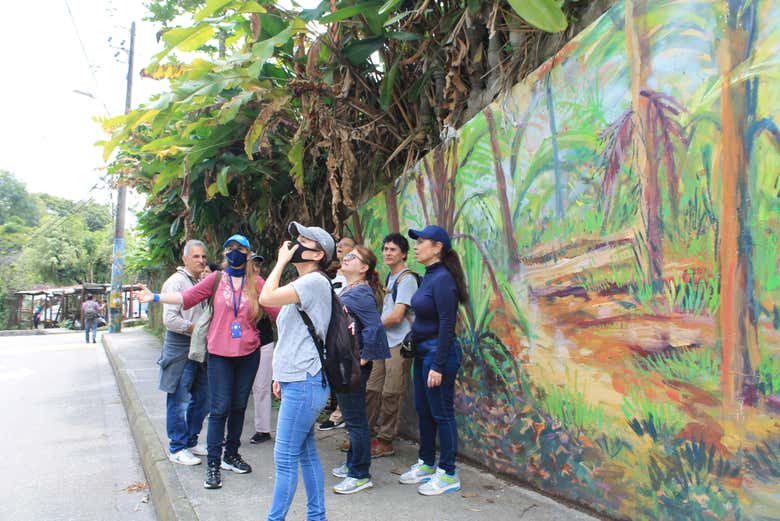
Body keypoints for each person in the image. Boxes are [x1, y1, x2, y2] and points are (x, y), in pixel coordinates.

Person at [134, 234, 280, 490]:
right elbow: (186, 298)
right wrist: (154, 297)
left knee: (238, 407)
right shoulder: (216, 279)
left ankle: (231, 454)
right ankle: (213, 464)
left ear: (248, 253)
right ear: (224, 253)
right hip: (219, 354)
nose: (234, 252)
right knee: (219, 408)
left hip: (248, 354)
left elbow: (278, 310)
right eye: (230, 247)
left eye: (240, 248)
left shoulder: (256, 282)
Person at [259, 221, 334, 521]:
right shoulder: (303, 286)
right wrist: (280, 375)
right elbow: (294, 338)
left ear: (318, 255)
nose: (294, 245)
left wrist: (280, 262)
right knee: (304, 452)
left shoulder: (313, 282)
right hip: (300, 380)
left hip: (305, 382)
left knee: (285, 458)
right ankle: (317, 517)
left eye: (303, 241)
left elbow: (265, 298)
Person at [399, 225, 468, 495]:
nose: (415, 247)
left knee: (442, 413)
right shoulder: (430, 275)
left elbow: (448, 324)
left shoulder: (443, 279)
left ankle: (448, 473)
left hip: (439, 353)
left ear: (438, 247)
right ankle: (427, 463)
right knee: (424, 410)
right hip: (423, 352)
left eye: (421, 242)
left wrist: (438, 366)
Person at [330, 245, 390, 494]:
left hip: (352, 363)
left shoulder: (362, 292)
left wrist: (364, 356)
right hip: (346, 360)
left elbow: (374, 327)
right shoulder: (352, 288)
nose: (346, 258)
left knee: (355, 421)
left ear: (364, 268)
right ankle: (352, 463)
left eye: (352, 257)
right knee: (353, 417)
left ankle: (360, 474)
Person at [157, 239, 211, 466]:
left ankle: (190, 440)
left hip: (200, 348)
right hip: (180, 346)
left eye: (204, 256)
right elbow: (170, 319)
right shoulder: (176, 282)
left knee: (204, 398)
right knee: (179, 399)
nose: (201, 260)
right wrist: (196, 329)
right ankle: (177, 447)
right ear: (185, 259)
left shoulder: (201, 281)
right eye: (196, 256)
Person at [366, 233, 418, 458]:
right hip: (384, 341)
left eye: (393, 249)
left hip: (399, 343)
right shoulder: (391, 276)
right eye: (385, 249)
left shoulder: (407, 279)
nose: (387, 253)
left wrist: (372, 326)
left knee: (391, 392)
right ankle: (365, 435)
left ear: (404, 254)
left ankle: (385, 441)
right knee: (371, 389)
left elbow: (397, 316)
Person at [318, 235, 355, 432]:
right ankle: (334, 408)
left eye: (345, 245)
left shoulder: (355, 277)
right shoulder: (330, 272)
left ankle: (341, 413)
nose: (340, 247)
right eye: (338, 245)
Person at [249, 253, 275, 444]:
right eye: (252, 265)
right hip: (237, 344)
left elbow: (277, 311)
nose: (256, 269)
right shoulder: (229, 286)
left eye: (258, 265)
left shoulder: (262, 285)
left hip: (263, 341)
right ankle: (228, 432)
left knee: (261, 387)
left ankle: (263, 430)